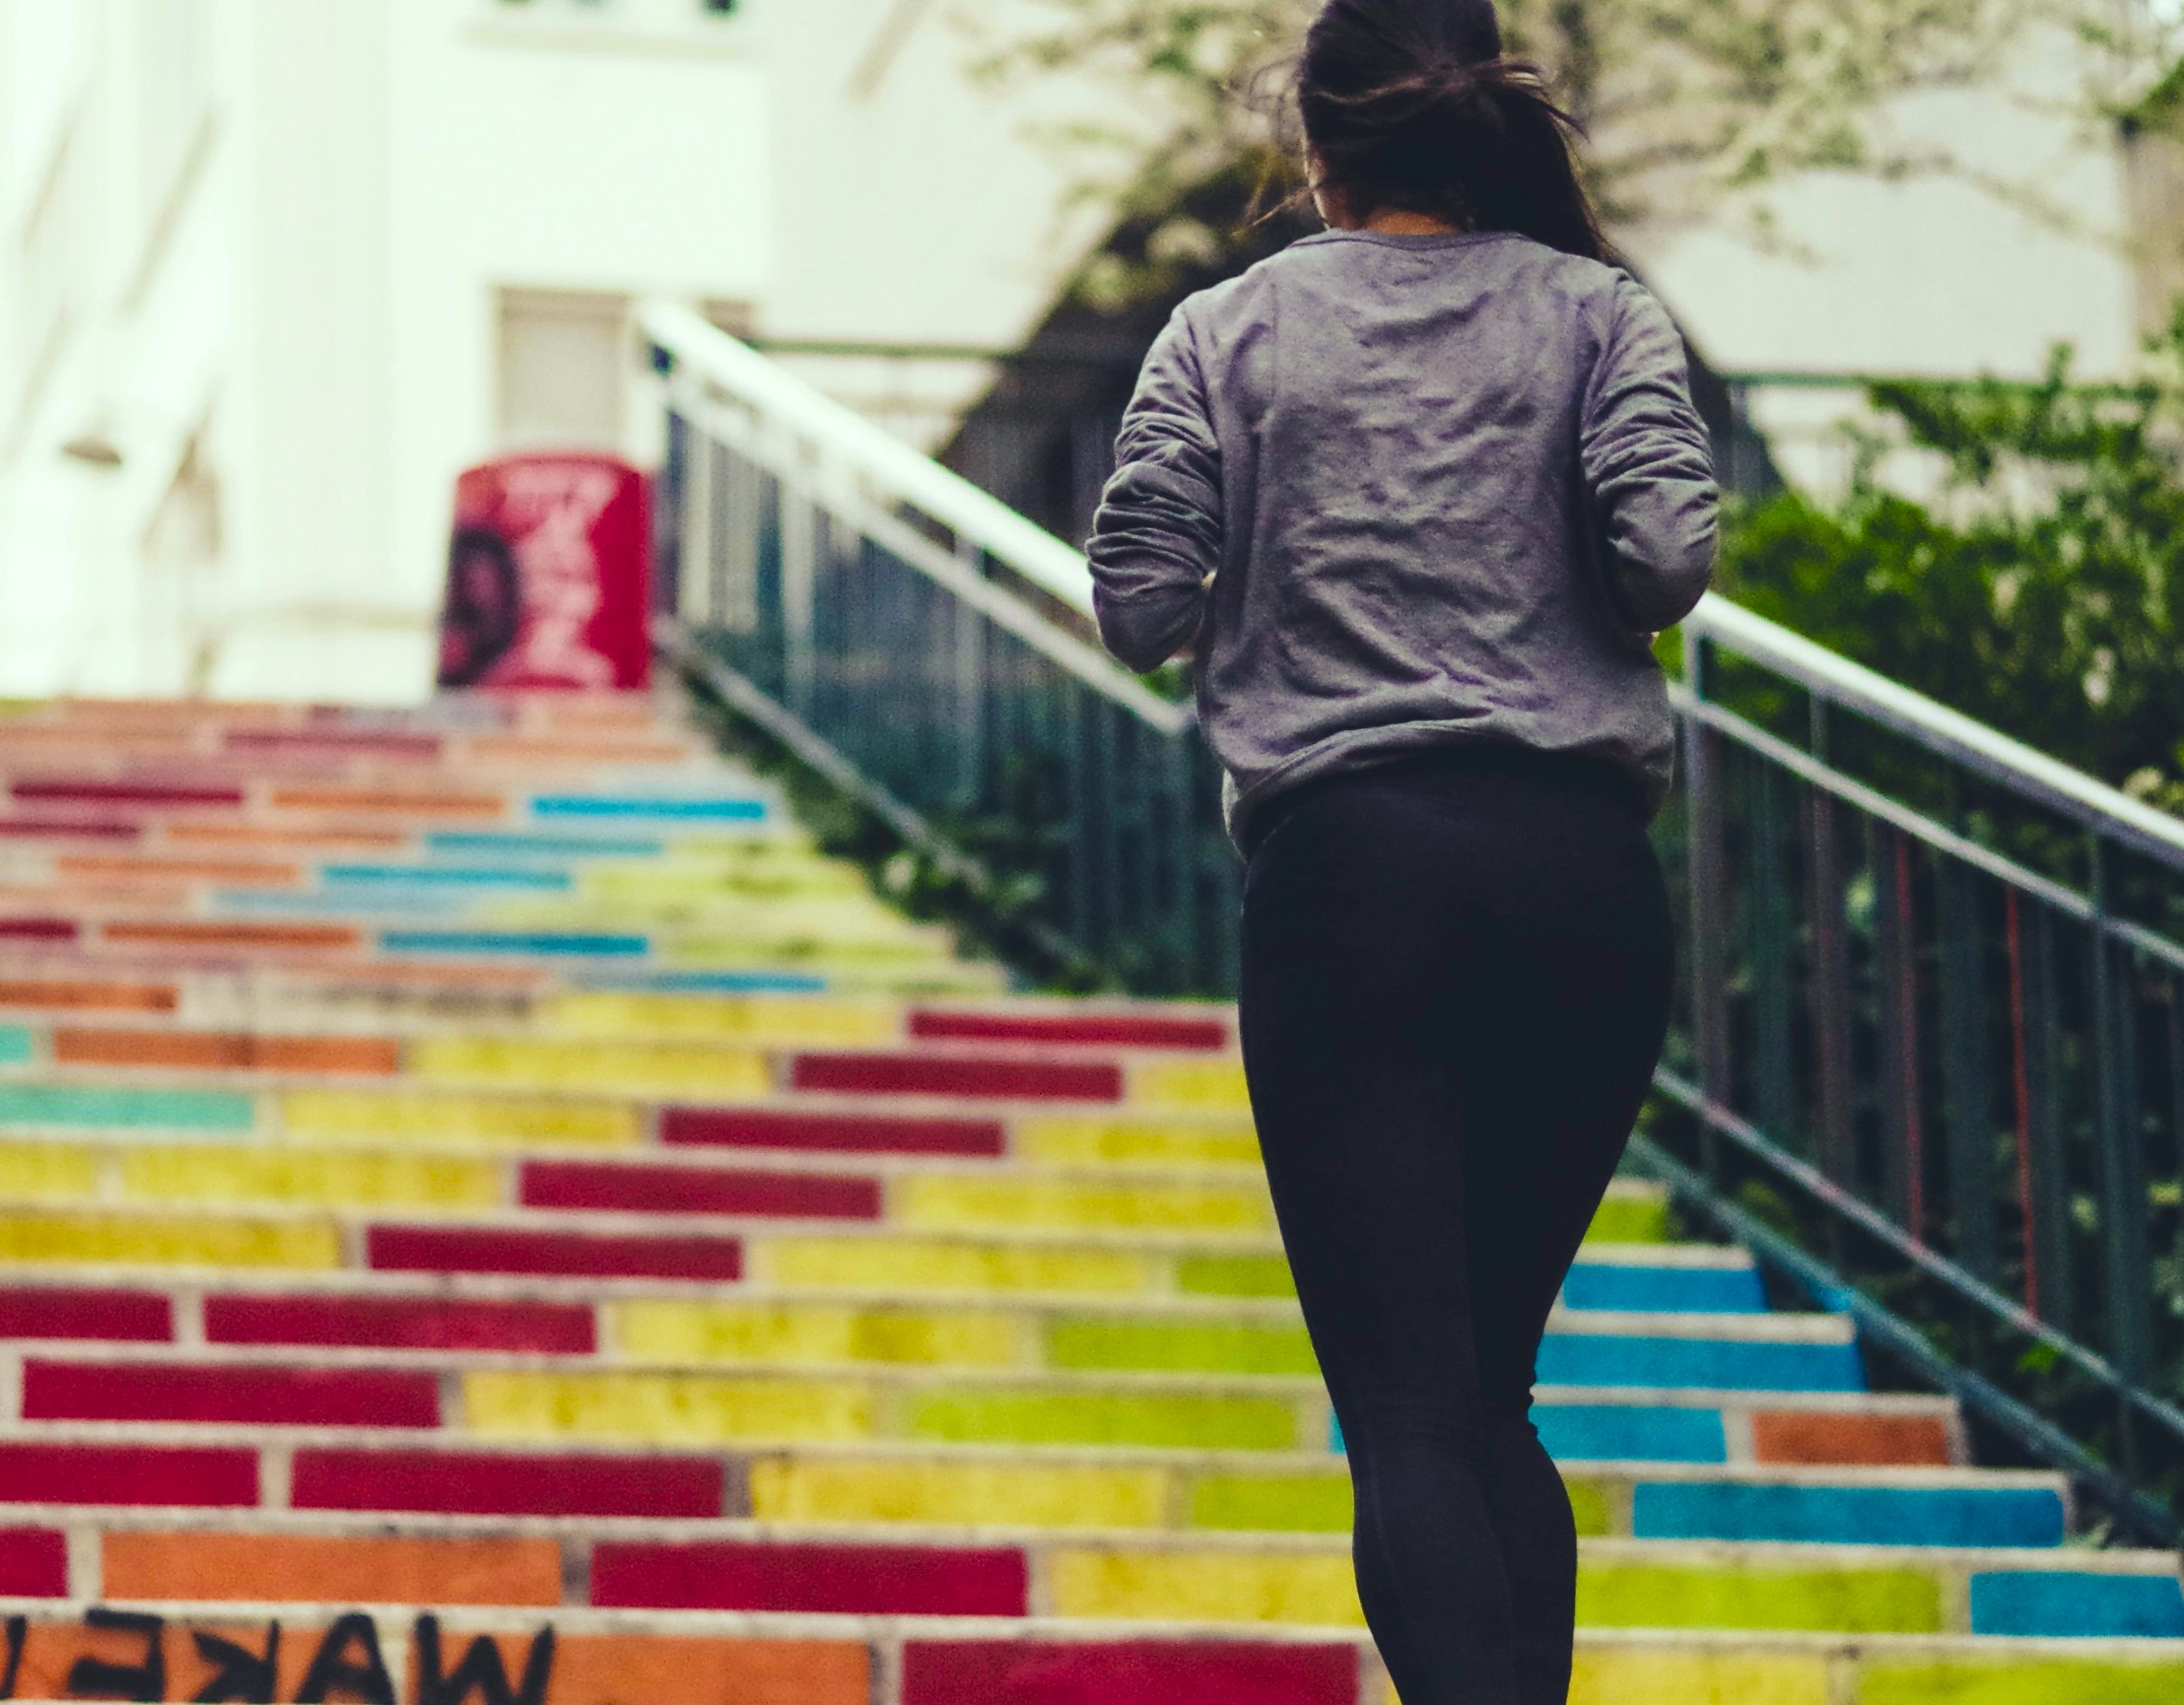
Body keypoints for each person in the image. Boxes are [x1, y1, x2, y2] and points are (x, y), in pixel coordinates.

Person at [1083, 2, 1719, 1700]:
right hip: (1583, 886)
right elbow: (1665, 554)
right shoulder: (1601, 313)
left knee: (1415, 1412)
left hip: (1354, 883)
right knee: (1489, 1392)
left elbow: (1137, 601)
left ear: (1316, 140)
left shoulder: (1227, 331)